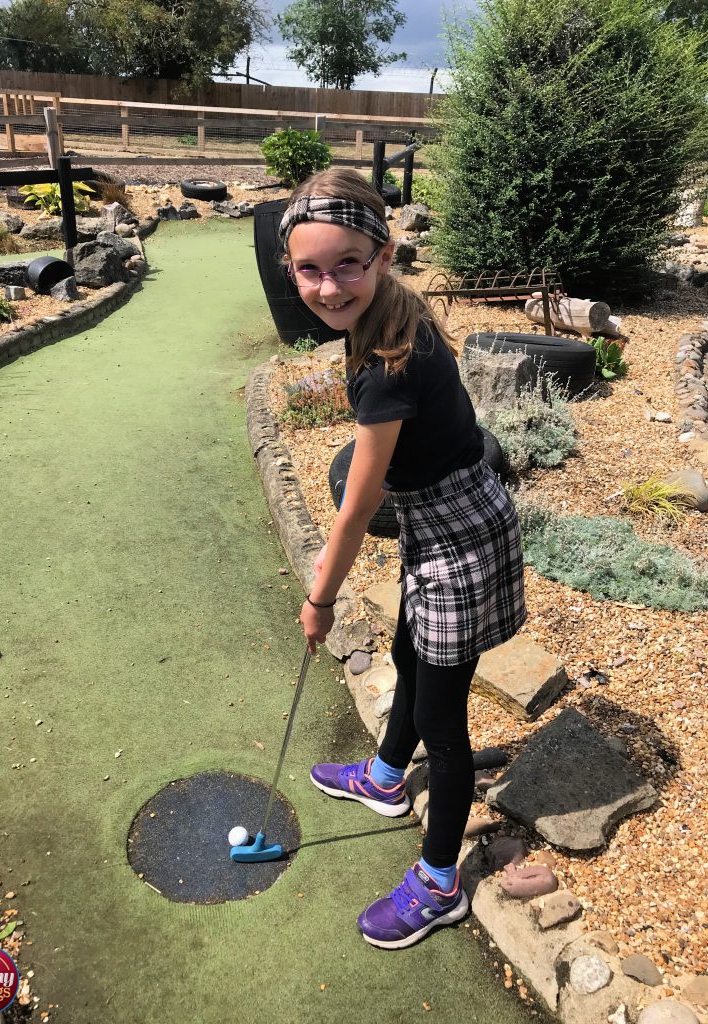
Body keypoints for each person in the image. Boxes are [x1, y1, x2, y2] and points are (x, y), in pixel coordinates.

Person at [279, 167, 527, 950]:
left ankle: (440, 881)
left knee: (441, 722)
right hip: (442, 515)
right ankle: (387, 780)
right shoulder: (390, 311)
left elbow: (355, 510)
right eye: (309, 268)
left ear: (381, 255)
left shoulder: (387, 363)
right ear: (289, 266)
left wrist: (320, 599)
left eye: (347, 263)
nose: (327, 285)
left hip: (461, 533)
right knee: (406, 646)